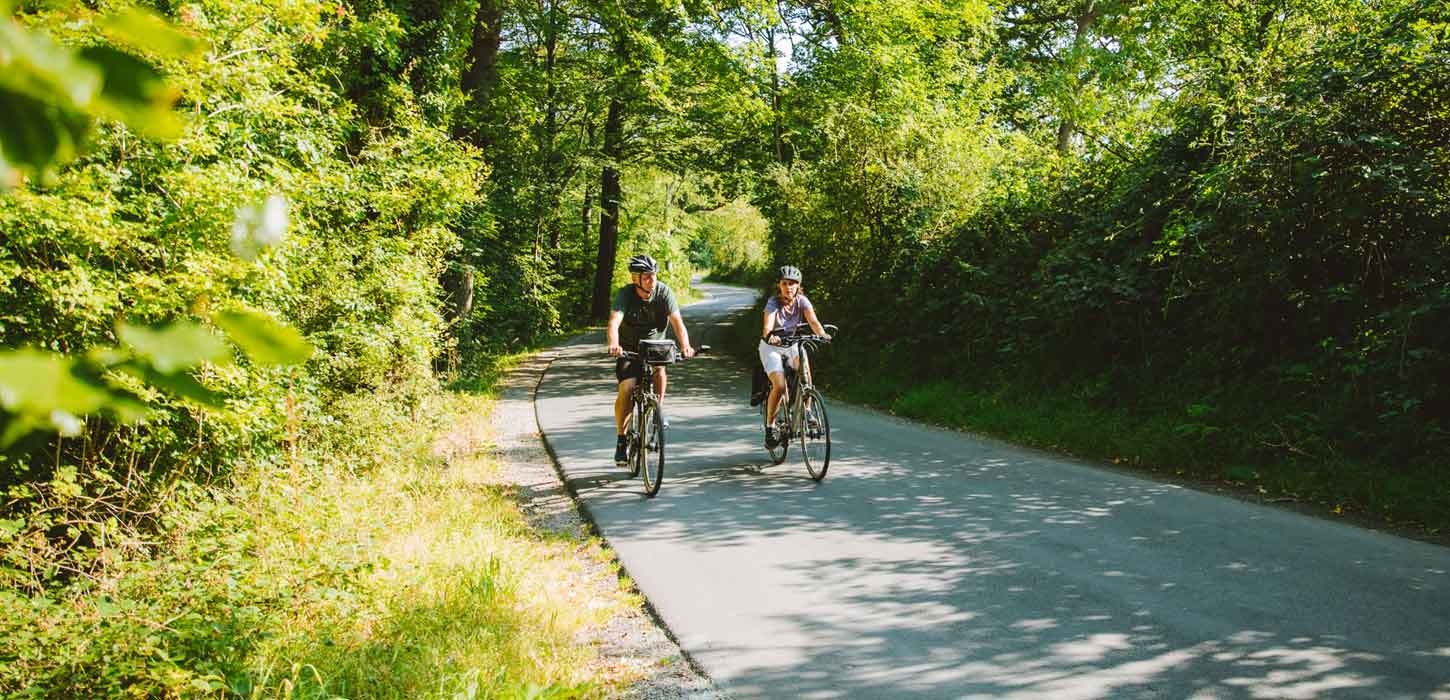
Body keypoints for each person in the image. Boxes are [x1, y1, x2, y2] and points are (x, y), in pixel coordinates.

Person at [607, 254, 696, 465]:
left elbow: (678, 323)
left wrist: (686, 346)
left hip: (656, 346)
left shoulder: (664, 292)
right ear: (635, 278)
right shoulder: (625, 294)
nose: (651, 280)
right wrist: (614, 344)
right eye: (646, 276)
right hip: (629, 349)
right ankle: (621, 439)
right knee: (627, 388)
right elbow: (614, 322)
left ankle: (659, 410)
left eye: (653, 275)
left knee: (660, 369)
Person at [759, 264, 829, 448]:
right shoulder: (773, 302)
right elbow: (767, 326)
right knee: (780, 386)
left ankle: (807, 411)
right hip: (772, 347)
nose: (788, 287)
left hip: (792, 344)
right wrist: (770, 335)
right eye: (785, 283)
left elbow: (814, 322)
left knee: (804, 371)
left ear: (798, 285)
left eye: (792, 283)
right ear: (779, 285)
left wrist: (822, 334)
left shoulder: (802, 301)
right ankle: (770, 428)